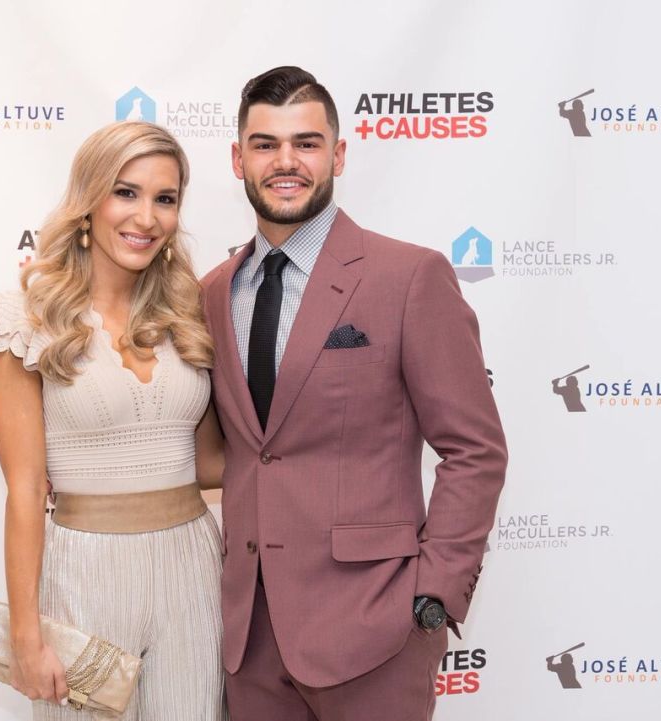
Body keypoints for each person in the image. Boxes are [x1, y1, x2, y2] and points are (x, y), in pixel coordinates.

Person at [200, 66, 508, 721]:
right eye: (265, 144)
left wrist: (434, 593)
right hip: (249, 645)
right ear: (238, 159)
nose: (286, 161)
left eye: (307, 143)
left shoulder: (408, 277)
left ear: (338, 154)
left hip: (376, 635)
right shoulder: (212, 292)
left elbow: (475, 449)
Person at [0, 121, 227, 720]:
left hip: (192, 568)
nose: (147, 217)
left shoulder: (187, 314)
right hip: (82, 572)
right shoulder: (24, 321)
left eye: (166, 198)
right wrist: (26, 638)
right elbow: (26, 490)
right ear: (88, 202)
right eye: (126, 192)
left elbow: (211, 461)